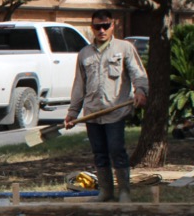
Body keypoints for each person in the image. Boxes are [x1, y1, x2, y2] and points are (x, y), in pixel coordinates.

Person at [64, 11, 149, 202]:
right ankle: (106, 192)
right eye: (97, 27)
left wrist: (140, 91)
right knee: (99, 153)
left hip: (115, 111)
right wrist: (72, 112)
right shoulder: (85, 53)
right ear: (92, 27)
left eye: (105, 25)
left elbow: (138, 73)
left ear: (113, 26)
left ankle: (124, 192)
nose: (101, 30)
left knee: (116, 149)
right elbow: (79, 85)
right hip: (93, 113)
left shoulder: (124, 48)